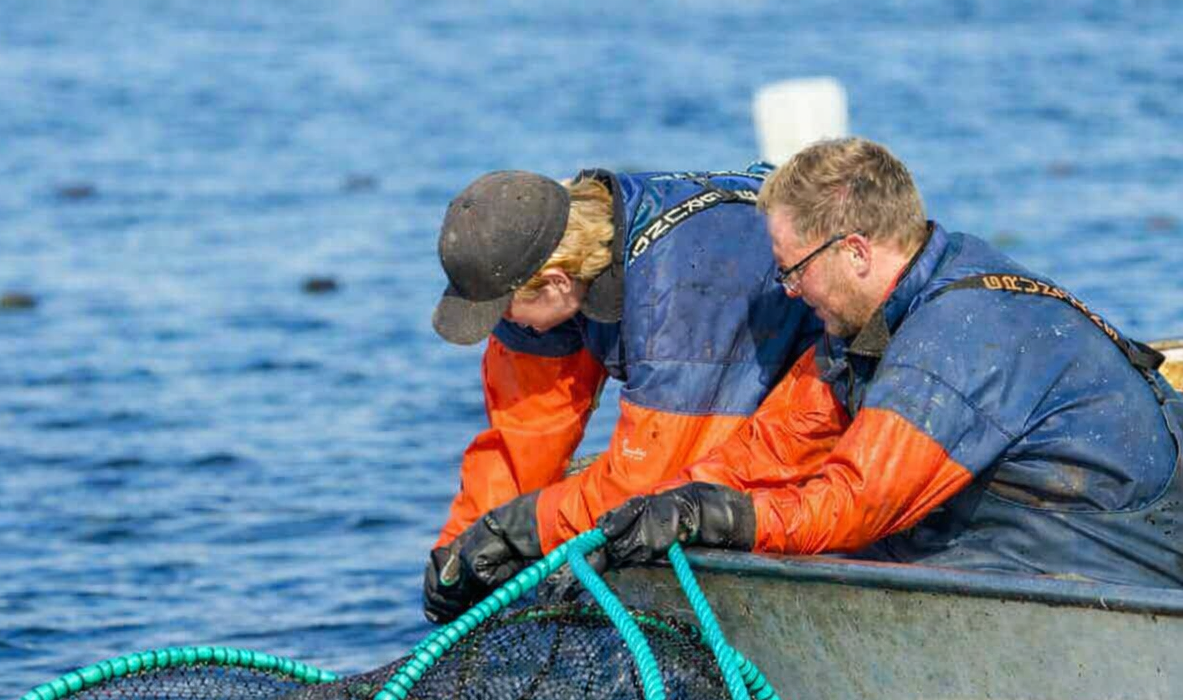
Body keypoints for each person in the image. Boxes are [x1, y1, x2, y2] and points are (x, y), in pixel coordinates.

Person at [596, 136, 1183, 589]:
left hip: (1108, 554)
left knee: (837, 548)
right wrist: (656, 507)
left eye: (794, 269)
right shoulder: (876, 317)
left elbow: (856, 501)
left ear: (854, 251)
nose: (790, 290)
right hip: (1020, 527)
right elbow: (774, 450)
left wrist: (722, 519)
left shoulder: (952, 341)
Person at [424, 167, 821, 622]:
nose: (505, 324)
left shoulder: (678, 294)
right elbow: (524, 432)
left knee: (666, 509)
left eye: (504, 311)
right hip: (716, 393)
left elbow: (655, 481)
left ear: (555, 281)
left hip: (833, 407)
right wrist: (462, 545)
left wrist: (522, 529)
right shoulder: (556, 269)